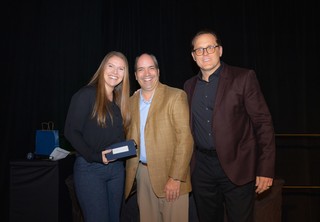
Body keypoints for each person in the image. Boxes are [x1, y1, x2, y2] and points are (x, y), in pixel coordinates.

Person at [183, 29, 276, 222]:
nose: (205, 53)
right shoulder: (188, 86)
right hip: (201, 170)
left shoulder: (243, 78)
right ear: (193, 56)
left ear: (220, 50)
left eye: (210, 47)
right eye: (199, 50)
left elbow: (263, 123)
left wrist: (265, 168)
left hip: (238, 167)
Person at [124, 53, 194, 222]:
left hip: (171, 177)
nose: (146, 73)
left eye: (151, 68)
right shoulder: (131, 101)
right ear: (135, 75)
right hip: (142, 175)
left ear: (158, 71)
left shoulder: (176, 96)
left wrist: (176, 178)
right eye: (141, 69)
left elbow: (185, 139)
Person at [64, 51, 131, 222]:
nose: (115, 72)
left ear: (125, 75)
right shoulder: (86, 94)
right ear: (102, 68)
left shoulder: (119, 102)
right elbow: (71, 132)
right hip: (90, 170)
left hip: (116, 171)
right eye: (111, 66)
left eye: (121, 69)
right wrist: (95, 156)